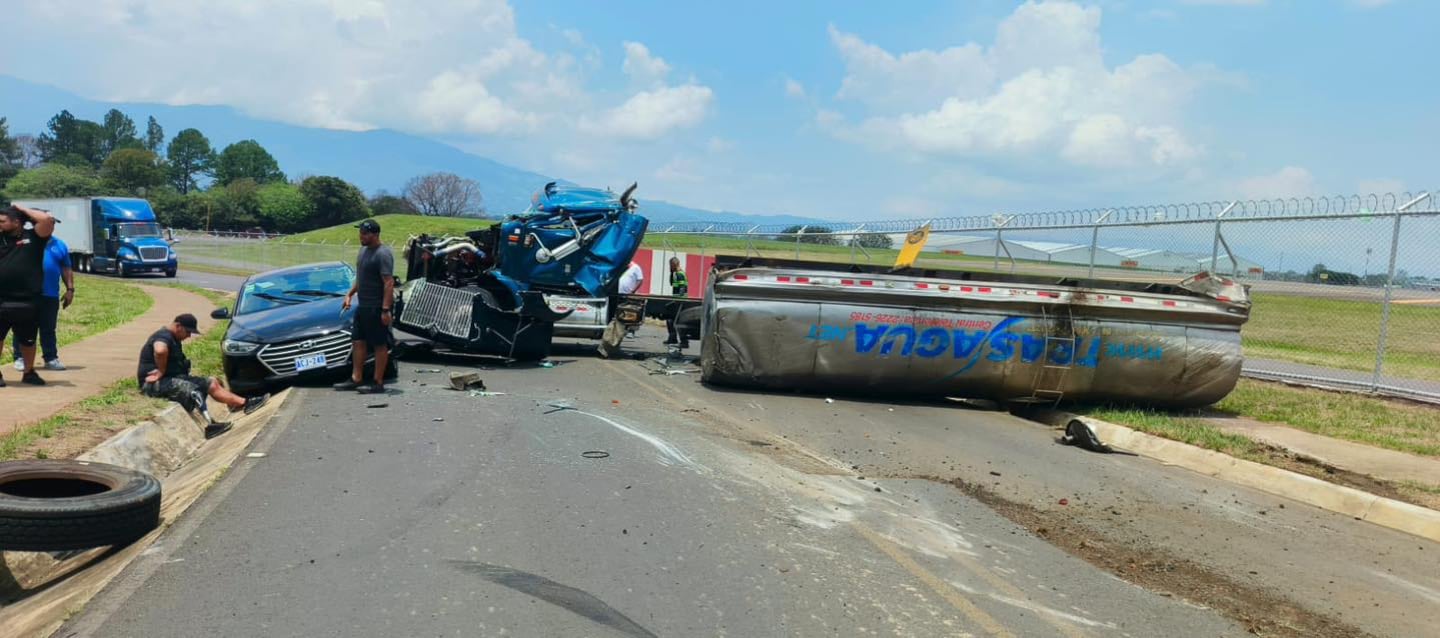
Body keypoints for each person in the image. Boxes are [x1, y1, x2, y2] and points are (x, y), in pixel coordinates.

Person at [138, 314, 268, 439]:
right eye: (188, 332)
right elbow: (160, 350)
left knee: (211, 382)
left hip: (172, 378)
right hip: (153, 383)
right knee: (193, 390)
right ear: (178, 326)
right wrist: (160, 371)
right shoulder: (163, 336)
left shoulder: (174, 338)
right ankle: (210, 425)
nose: (189, 336)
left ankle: (243, 403)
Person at [335, 218, 394, 394]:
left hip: (376, 306)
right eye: (360, 233)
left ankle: (378, 382)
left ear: (375, 235)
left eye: (365, 233)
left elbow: (388, 283)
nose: (361, 236)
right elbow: (361, 279)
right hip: (363, 305)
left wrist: (385, 310)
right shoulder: (363, 251)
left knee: (379, 344)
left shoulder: (382, 254)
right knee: (358, 341)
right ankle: (356, 378)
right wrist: (350, 294)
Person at [0, 204, 56, 387]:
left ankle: (29, 372)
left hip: (28, 300)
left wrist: (19, 207)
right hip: (2, 299)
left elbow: (46, 220)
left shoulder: (34, 237)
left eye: (2, 221)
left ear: (17, 222)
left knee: (28, 339)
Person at [12, 235, 74, 372]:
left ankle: (50, 358)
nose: (50, 225)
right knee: (22, 326)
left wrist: (70, 289)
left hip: (50, 294)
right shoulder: (24, 242)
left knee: (48, 328)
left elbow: (66, 268)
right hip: (26, 294)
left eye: (52, 223)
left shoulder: (60, 244)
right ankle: (20, 358)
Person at [664, 256, 690, 349]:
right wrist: (671, 273)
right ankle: (673, 338)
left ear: (673, 264)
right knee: (671, 320)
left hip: (679, 301)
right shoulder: (676, 274)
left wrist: (678, 300)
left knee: (675, 320)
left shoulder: (680, 274)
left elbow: (682, 288)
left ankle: (683, 341)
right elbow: (671, 283)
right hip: (677, 300)